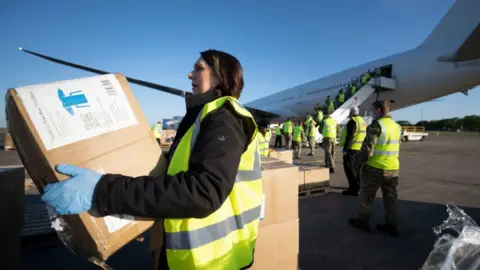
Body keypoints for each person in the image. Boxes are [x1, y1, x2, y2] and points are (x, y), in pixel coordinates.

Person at [40, 49, 264, 270]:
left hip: (213, 260)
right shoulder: (203, 116)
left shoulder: (223, 117)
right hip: (191, 256)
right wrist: (137, 212)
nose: (190, 75)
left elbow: (203, 192)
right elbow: (177, 180)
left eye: (199, 68)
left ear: (220, 76)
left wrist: (102, 191)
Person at [349, 100, 401, 237]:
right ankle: (391, 225)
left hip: (374, 168)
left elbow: (367, 149)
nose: (371, 113)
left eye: (372, 110)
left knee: (367, 197)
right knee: (390, 198)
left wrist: (358, 163)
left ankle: (363, 221)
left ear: (378, 110)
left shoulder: (376, 125)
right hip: (393, 168)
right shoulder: (396, 126)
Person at [339, 107, 366, 196]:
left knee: (349, 169)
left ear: (351, 113)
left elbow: (350, 136)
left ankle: (353, 189)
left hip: (352, 149)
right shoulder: (362, 121)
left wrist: (345, 149)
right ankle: (358, 185)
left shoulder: (353, 121)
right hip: (360, 149)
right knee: (357, 169)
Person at [321, 108, 337, 173]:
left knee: (328, 152)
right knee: (332, 152)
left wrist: (323, 132)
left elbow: (320, 129)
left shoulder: (324, 121)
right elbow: (338, 129)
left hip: (327, 137)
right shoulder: (334, 121)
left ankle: (331, 165)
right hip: (334, 137)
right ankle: (328, 164)